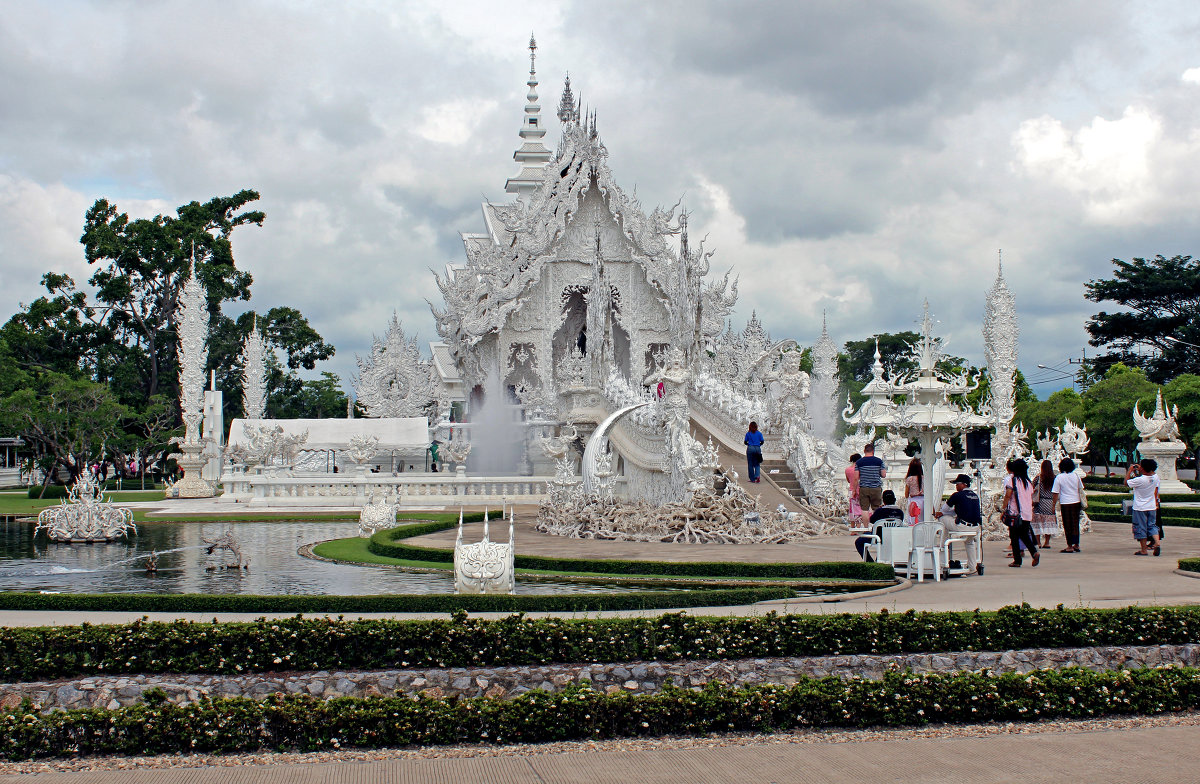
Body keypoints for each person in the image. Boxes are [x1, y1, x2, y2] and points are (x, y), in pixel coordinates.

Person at [934, 473, 983, 574]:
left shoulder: (957, 495)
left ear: (964, 484)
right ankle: (972, 567)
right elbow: (959, 511)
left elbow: (945, 509)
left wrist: (940, 513)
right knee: (969, 542)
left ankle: (943, 547)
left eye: (957, 484)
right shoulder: (975, 496)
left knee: (942, 518)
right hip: (976, 528)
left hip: (962, 526)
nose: (956, 486)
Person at [1002, 458, 1039, 567]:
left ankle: (1017, 560)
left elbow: (1008, 494)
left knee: (1014, 536)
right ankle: (1034, 552)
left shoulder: (1013, 480)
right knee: (1024, 535)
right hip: (1027, 513)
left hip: (1015, 513)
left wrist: (1004, 508)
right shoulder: (1028, 482)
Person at [855, 489, 905, 561]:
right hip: (893, 538)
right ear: (894, 500)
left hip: (878, 537)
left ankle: (870, 562)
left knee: (859, 542)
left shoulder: (880, 511)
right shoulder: (900, 512)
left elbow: (871, 520)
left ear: (883, 500)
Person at [1126, 458, 1161, 556]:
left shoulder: (1140, 480)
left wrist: (1130, 470)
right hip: (1151, 506)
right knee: (1152, 526)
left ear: (1144, 468)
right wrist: (1142, 468)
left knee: (1141, 528)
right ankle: (1157, 543)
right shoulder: (1155, 477)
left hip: (1140, 507)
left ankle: (1143, 550)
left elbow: (1126, 482)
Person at [1052, 457, 1084, 553]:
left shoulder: (1059, 477)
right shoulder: (1076, 475)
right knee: (1075, 523)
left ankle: (1069, 545)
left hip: (1065, 503)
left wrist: (1053, 504)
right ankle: (1076, 544)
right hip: (1076, 502)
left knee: (1067, 524)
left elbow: (1055, 492)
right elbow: (1080, 488)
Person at [854, 443, 887, 519]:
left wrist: (854, 490)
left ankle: (866, 527)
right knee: (876, 508)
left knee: (864, 509)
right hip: (876, 488)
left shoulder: (859, 462)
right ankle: (877, 526)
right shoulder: (879, 461)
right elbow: (883, 475)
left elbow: (856, 478)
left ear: (864, 451)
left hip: (864, 488)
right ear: (873, 451)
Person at [1031, 459, 1057, 549]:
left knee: (1037, 522)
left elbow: (1031, 486)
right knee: (1048, 522)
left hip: (1039, 502)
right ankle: (1047, 542)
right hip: (1049, 502)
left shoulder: (1038, 478)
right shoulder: (1054, 478)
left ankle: (1038, 542)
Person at [903, 457, 924, 525]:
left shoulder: (910, 479)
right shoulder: (924, 478)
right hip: (923, 501)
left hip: (913, 501)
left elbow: (906, 494)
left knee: (913, 521)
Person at [845, 453, 863, 526]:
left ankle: (852, 526)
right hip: (860, 490)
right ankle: (858, 526)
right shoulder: (860, 469)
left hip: (851, 490)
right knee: (860, 509)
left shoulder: (847, 470)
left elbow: (848, 481)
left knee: (852, 508)